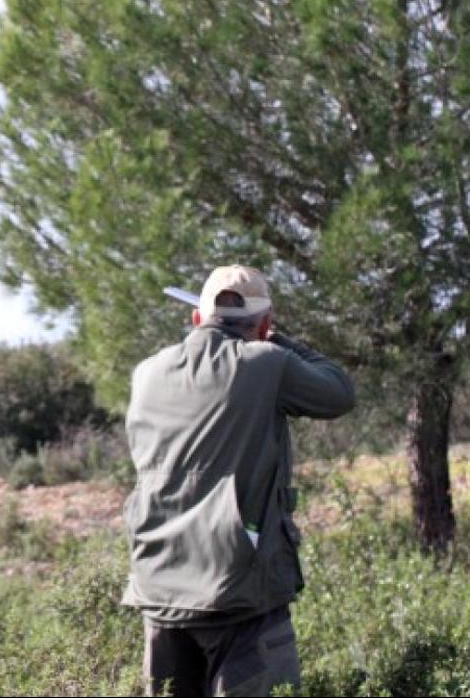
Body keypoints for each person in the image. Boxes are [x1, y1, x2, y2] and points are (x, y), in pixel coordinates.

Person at [122, 265, 356, 697]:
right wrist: (280, 341)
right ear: (263, 323)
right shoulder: (266, 362)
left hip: (159, 583)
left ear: (197, 318)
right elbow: (339, 392)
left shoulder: (147, 373)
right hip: (238, 589)